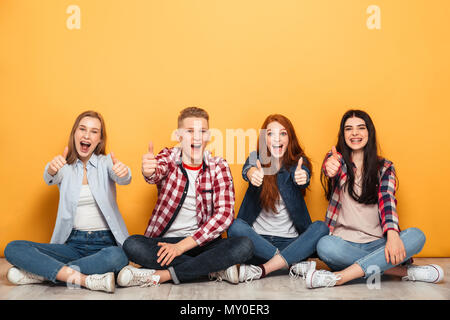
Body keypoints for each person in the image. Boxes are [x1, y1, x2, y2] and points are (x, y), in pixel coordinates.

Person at [306, 109, 444, 288]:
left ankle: (340, 276)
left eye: (361, 128)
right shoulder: (337, 160)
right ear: (343, 135)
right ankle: (403, 272)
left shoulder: (385, 167)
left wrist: (393, 236)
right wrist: (329, 168)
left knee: (417, 236)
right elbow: (330, 167)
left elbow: (387, 200)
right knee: (324, 245)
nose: (355, 133)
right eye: (348, 129)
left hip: (380, 244)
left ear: (369, 132)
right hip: (343, 244)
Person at [117, 107, 253, 287]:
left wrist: (181, 247)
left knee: (245, 245)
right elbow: (157, 171)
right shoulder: (168, 156)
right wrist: (148, 170)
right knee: (132, 244)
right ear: (179, 136)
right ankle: (213, 269)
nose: (196, 137)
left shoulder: (219, 166)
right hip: (166, 244)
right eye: (190, 131)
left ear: (208, 136)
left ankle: (164, 275)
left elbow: (224, 215)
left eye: (202, 131)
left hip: (203, 243)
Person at [4, 111, 131, 293]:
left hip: (106, 243)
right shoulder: (64, 166)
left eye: (94, 132)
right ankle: (83, 279)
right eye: (82, 129)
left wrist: (123, 172)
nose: (87, 135)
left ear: (100, 140)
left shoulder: (106, 163)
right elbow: (49, 176)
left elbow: (124, 177)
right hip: (73, 244)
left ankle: (41, 274)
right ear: (74, 134)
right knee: (13, 248)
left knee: (118, 257)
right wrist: (51, 169)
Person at [227, 114, 329, 282]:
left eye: (283, 133)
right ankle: (290, 262)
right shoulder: (256, 158)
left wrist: (303, 177)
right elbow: (248, 169)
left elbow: (305, 175)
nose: (277, 138)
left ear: (290, 138)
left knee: (321, 228)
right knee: (235, 227)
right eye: (270, 134)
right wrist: (252, 174)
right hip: (258, 243)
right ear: (264, 139)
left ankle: (265, 268)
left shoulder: (299, 163)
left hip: (291, 241)